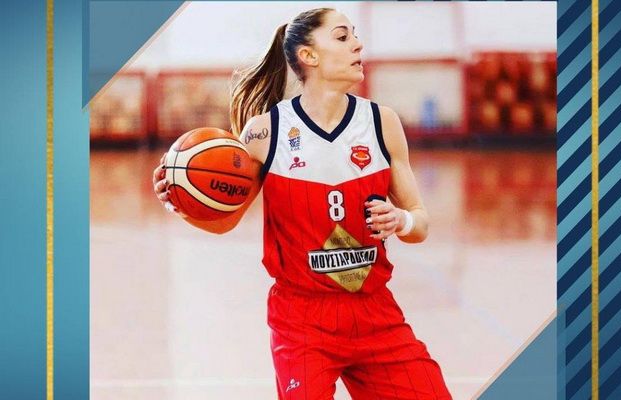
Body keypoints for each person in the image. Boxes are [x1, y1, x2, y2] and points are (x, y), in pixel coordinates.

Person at [153, 8, 451, 400]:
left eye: (354, 35)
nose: (358, 44)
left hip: (374, 312)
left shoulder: (382, 123)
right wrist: (180, 204)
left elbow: (420, 223)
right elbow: (227, 221)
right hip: (302, 319)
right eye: (343, 37)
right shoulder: (265, 132)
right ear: (308, 55)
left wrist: (402, 220)